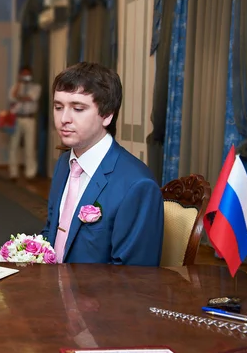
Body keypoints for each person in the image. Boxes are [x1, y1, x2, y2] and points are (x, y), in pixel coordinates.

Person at [41, 62, 164, 266]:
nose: (64, 119)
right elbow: (52, 230)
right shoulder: (65, 163)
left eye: (78, 108)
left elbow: (135, 278)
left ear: (107, 115)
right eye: (58, 107)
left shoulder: (137, 185)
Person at [8, 65, 41, 180]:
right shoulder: (15, 87)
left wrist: (18, 97)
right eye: (23, 74)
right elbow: (12, 98)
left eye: (27, 74)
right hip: (16, 118)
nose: (25, 76)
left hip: (30, 119)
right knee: (14, 146)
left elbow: (31, 98)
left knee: (30, 146)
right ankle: (13, 173)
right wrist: (18, 84)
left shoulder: (36, 87)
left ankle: (30, 173)